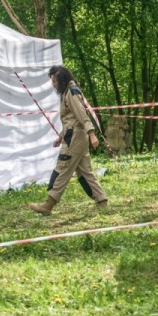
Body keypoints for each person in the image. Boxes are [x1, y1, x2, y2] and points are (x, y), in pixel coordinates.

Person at [29, 66, 109, 215]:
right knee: (85, 172)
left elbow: (81, 115)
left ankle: (48, 205)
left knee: (62, 168)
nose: (53, 84)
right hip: (74, 136)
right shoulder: (67, 92)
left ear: (61, 79)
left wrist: (92, 134)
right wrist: (60, 136)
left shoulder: (71, 93)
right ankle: (102, 201)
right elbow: (70, 120)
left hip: (74, 139)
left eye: (54, 81)